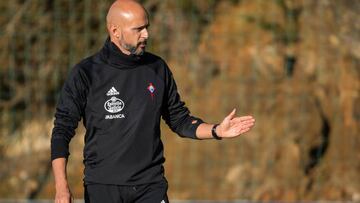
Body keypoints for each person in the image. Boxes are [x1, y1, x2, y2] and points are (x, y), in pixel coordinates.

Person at [50, 0, 256, 202]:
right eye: (138, 29)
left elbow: (179, 120)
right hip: (103, 187)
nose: (146, 34)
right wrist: (61, 187)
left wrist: (217, 130)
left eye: (146, 27)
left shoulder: (157, 68)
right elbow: (62, 131)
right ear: (115, 31)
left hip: (150, 186)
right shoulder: (86, 73)